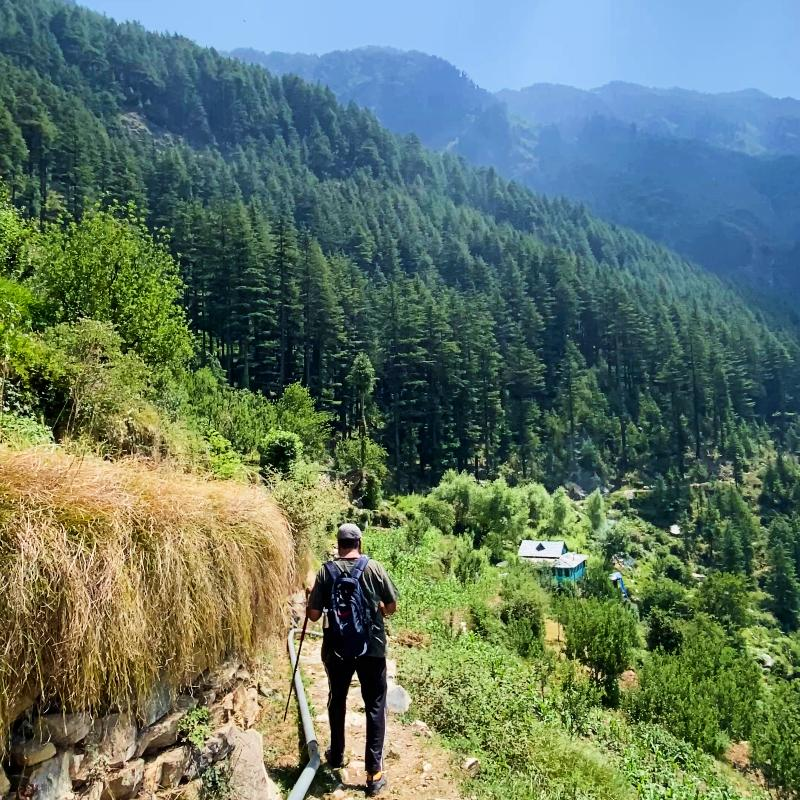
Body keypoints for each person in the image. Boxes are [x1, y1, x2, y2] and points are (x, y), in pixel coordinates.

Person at [306, 522, 398, 797]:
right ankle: (374, 774)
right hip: (372, 648)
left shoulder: (326, 571)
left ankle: (336, 754)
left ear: (338, 543)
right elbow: (391, 607)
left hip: (337, 650)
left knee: (337, 699)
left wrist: (311, 596)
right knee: (375, 706)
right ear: (359, 542)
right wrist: (378, 608)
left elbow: (312, 616)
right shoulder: (374, 568)